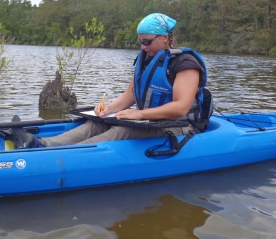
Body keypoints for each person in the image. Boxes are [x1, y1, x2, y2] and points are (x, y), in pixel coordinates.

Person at [11, 13, 209, 148]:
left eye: (147, 42)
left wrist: (138, 115)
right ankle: (41, 144)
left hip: (179, 126)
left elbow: (181, 108)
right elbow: (130, 94)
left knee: (120, 131)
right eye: (140, 41)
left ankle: (59, 156)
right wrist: (109, 109)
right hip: (150, 120)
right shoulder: (147, 59)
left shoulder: (185, 64)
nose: (142, 47)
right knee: (97, 124)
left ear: (165, 38)